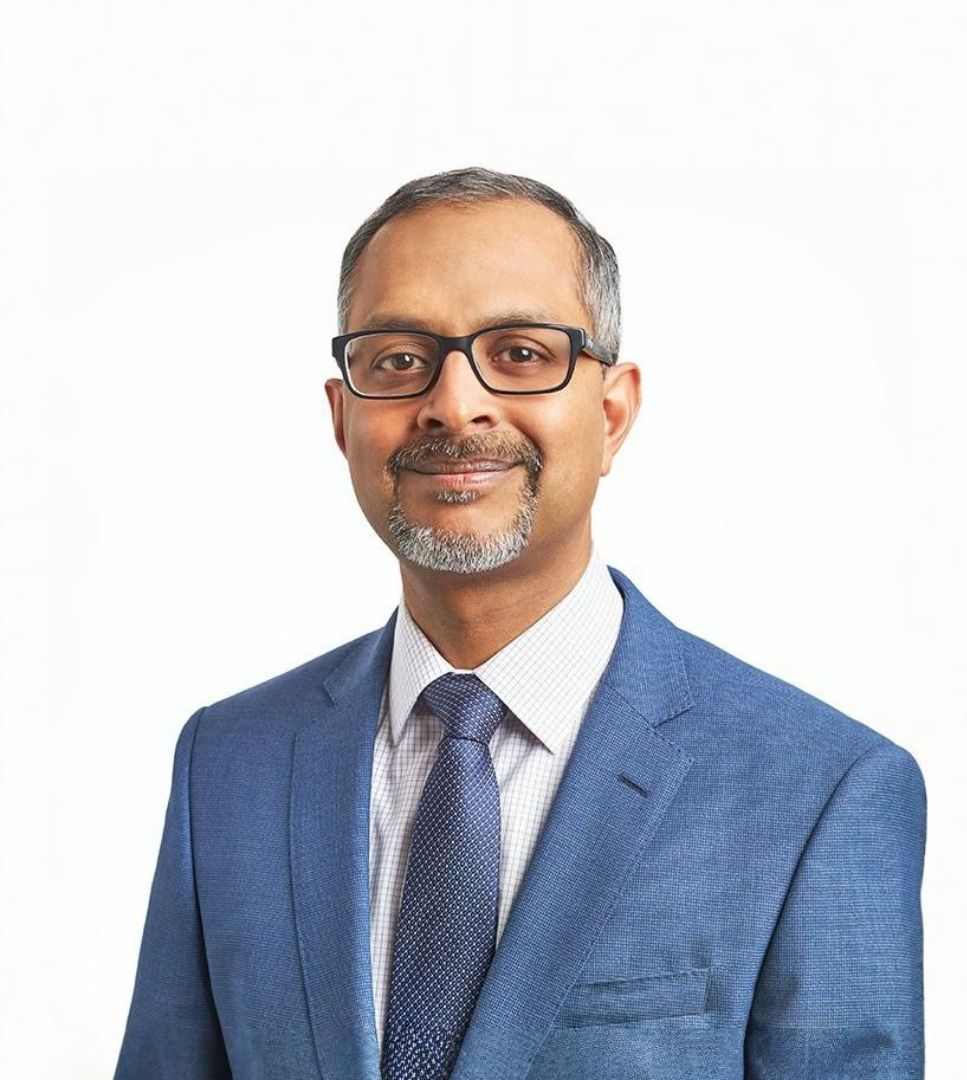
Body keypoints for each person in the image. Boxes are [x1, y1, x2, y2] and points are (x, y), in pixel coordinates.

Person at [113, 167, 926, 1080]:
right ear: (343, 420)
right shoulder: (230, 763)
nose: (454, 404)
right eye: (397, 359)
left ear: (612, 413)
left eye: (521, 354)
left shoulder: (819, 789)